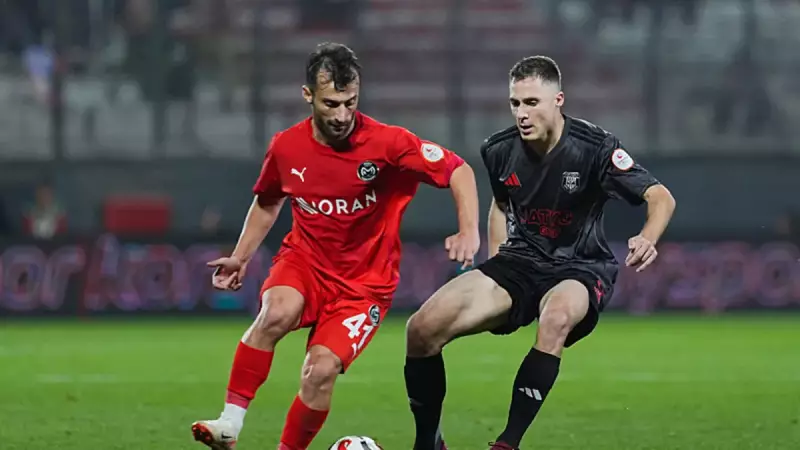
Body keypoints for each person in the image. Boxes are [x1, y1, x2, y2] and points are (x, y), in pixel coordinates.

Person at [191, 42, 480, 450]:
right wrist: (241, 257)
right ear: (308, 95)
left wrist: (468, 230)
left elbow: (458, 170)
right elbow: (268, 200)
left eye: (350, 102)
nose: (343, 115)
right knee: (275, 313)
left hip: (364, 286)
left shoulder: (389, 143)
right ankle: (229, 424)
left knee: (320, 371)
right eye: (331, 103)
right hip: (304, 263)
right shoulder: (286, 147)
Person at [403, 55, 676, 450]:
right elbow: (501, 205)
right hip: (520, 262)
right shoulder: (498, 151)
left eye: (532, 102)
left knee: (557, 317)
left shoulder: (595, 147)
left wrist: (648, 237)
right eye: (515, 103)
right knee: (421, 329)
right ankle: (428, 443)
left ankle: (507, 444)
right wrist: (495, 260)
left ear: (558, 100)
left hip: (580, 267)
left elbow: (660, 196)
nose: (521, 113)